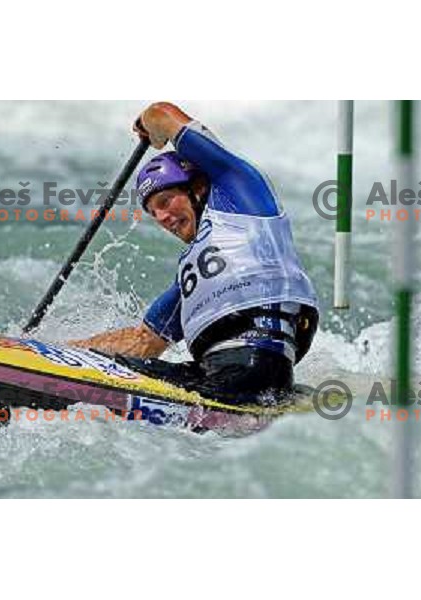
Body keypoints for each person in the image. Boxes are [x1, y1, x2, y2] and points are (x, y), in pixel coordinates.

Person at [71, 102, 319, 405]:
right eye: (152, 212)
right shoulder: (190, 273)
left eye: (165, 201)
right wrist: (61, 350)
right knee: (115, 369)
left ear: (197, 187)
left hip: (257, 369)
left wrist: (148, 124)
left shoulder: (241, 194)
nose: (161, 217)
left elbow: (162, 113)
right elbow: (144, 341)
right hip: (218, 376)